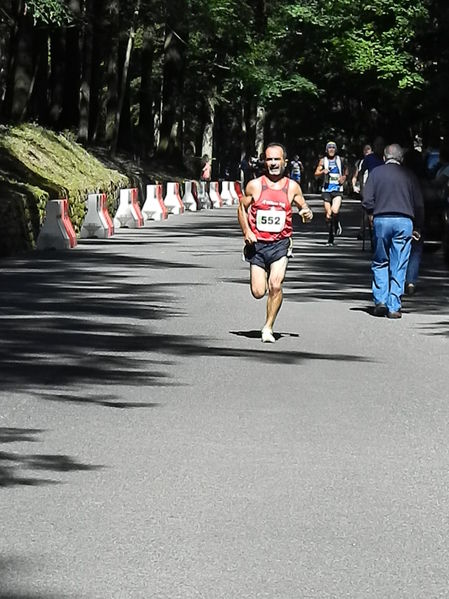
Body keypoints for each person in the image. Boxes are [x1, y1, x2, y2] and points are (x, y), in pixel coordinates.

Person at [237, 142, 313, 343]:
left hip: (280, 244)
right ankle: (264, 279)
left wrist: (306, 213)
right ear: (265, 161)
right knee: (258, 292)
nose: (272, 163)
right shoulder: (255, 185)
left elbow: (305, 209)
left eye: (276, 159)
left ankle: (268, 327)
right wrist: (247, 232)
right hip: (258, 245)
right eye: (269, 159)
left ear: (284, 162)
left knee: (275, 285)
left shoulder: (292, 187)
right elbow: (241, 208)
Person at [362, 143, 424, 319]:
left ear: (384, 157)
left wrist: (371, 214)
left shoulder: (376, 173)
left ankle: (380, 300)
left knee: (380, 260)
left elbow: (367, 200)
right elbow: (419, 204)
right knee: (400, 263)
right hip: (404, 221)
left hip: (382, 219)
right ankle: (394, 305)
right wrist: (418, 225)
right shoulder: (409, 176)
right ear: (401, 159)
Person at [314, 141, 348, 245]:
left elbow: (346, 170)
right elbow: (316, 174)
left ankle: (336, 223)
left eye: (333, 148)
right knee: (328, 215)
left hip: (337, 189)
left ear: (336, 149)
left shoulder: (341, 160)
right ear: (326, 150)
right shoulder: (322, 161)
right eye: (329, 148)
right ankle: (330, 237)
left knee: (334, 211)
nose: (331, 149)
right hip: (326, 190)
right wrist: (322, 172)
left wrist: (344, 177)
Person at [352, 144, 384, 242]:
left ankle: (374, 232)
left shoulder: (385, 158)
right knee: (367, 210)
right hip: (369, 187)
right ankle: (366, 232)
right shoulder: (366, 160)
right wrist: (359, 186)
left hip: (382, 188)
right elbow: (359, 173)